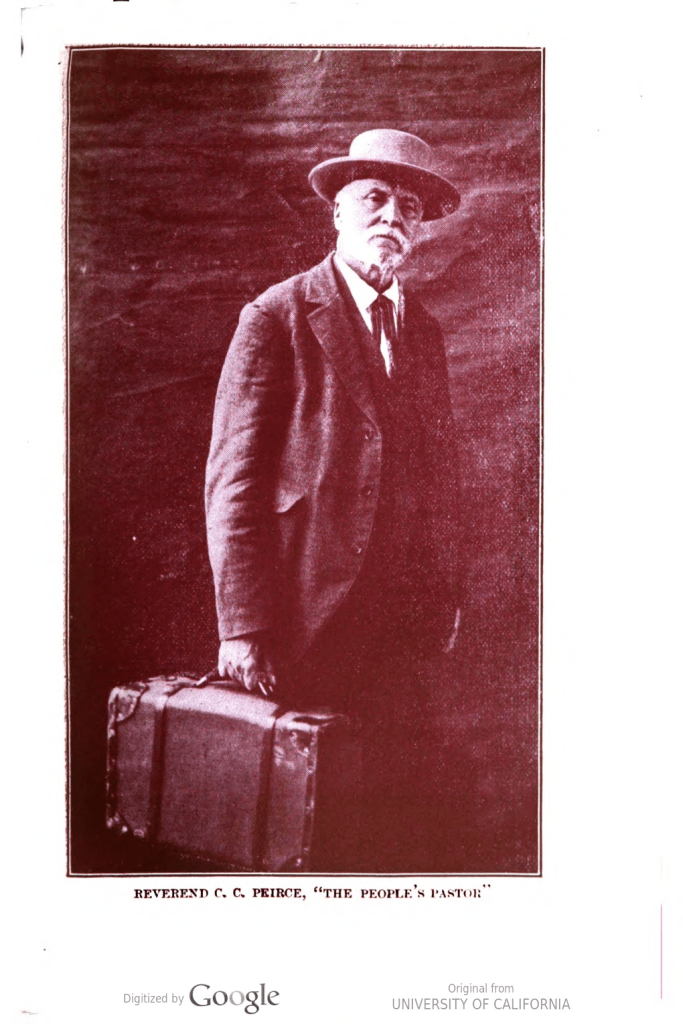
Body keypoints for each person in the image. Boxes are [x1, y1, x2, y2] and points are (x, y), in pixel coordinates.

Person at [205, 130, 463, 866]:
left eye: (409, 207)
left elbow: (438, 475)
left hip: (402, 623)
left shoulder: (423, 331)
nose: (392, 217)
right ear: (337, 213)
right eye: (374, 199)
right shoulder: (277, 315)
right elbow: (234, 481)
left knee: (383, 807)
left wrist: (446, 593)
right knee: (294, 820)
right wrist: (243, 625)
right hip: (303, 615)